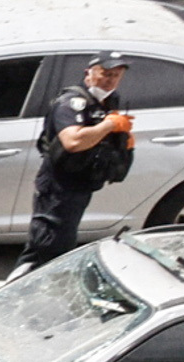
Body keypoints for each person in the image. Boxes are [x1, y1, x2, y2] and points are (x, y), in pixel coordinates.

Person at [27, 50, 136, 265]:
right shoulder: (71, 102)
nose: (109, 80)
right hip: (59, 188)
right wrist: (109, 125)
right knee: (45, 251)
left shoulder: (107, 101)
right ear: (89, 72)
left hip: (80, 184)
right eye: (104, 73)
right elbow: (73, 142)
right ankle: (18, 292)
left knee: (61, 246)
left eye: (115, 75)